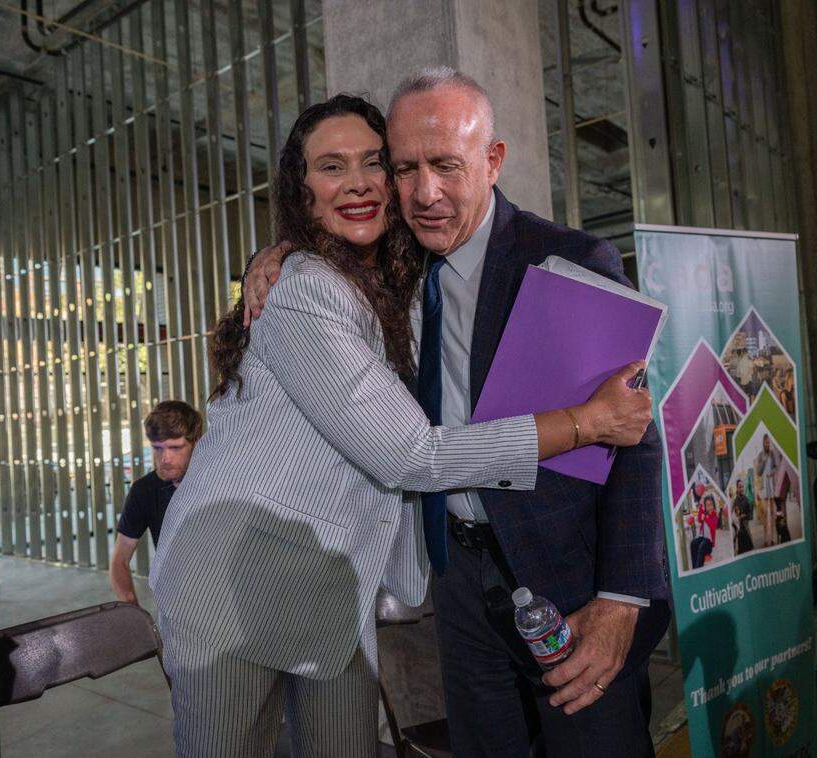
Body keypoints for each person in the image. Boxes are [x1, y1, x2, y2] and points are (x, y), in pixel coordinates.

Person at [149, 94, 654, 757]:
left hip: (525, 578)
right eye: (404, 166)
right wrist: (579, 424)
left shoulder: (547, 259)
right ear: (302, 190)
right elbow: (409, 453)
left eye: (378, 164)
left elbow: (638, 434)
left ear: (492, 160)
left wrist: (625, 597)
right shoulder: (325, 283)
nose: (421, 189)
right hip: (247, 581)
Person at [108, 400, 202, 605]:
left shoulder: (217, 482)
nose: (165, 458)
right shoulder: (144, 490)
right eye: (158, 449)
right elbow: (119, 560)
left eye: (175, 448)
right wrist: (132, 609)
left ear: (195, 443)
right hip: (175, 598)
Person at [754, 435, 780, 546]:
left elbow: (775, 467)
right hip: (764, 488)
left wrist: (772, 473)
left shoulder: (772, 453)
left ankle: (773, 539)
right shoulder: (761, 455)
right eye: (766, 442)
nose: (767, 444)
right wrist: (763, 462)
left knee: (773, 515)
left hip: (771, 486)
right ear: (763, 443)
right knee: (765, 515)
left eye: (768, 442)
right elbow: (758, 472)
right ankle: (766, 540)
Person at [731, 479, 755, 555]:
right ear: (737, 488)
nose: (741, 489)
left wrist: (744, 516)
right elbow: (733, 516)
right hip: (738, 528)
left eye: (742, 487)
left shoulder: (746, 499)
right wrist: (737, 519)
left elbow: (749, 513)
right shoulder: (735, 501)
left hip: (745, 525)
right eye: (740, 487)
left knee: (749, 548)